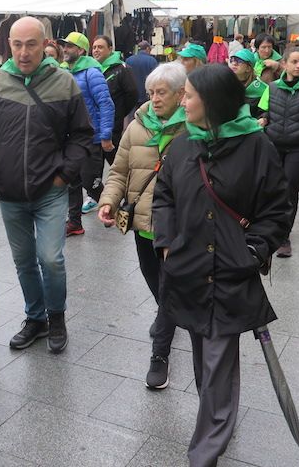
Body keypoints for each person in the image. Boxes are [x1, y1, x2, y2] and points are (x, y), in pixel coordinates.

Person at [152, 64, 291, 467]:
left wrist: (255, 250)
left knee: (216, 363)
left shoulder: (256, 146)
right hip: (188, 271)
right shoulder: (181, 145)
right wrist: (167, 243)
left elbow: (277, 209)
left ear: (211, 102)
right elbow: (164, 197)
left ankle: (205, 452)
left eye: (189, 94)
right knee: (204, 358)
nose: (182, 100)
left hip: (230, 273)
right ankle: (216, 415)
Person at [0, 16, 93, 354]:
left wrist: (64, 174)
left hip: (50, 191)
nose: (24, 52)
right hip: (10, 194)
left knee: (50, 259)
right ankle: (35, 318)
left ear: (45, 44)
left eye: (31, 44)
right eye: (17, 44)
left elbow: (81, 135)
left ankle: (56, 317)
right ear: (8, 45)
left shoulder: (64, 83)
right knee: (24, 261)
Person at [98, 62, 187, 390]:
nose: (154, 99)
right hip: (142, 225)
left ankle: (159, 355)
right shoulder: (136, 127)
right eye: (151, 93)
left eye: (161, 93)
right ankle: (170, 314)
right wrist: (108, 200)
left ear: (181, 94)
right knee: (157, 285)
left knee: (169, 287)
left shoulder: (193, 127)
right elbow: (119, 171)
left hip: (176, 227)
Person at [257, 44, 299, 258]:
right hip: (274, 145)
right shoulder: (273, 87)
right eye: (294, 62)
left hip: (298, 148)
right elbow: (264, 110)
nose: (298, 66)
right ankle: (268, 228)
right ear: (284, 64)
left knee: (289, 190)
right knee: (271, 189)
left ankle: (284, 236)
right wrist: (265, 122)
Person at [60, 32, 114, 234]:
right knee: (72, 181)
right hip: (69, 137)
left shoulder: (92, 72)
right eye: (64, 46)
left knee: (91, 183)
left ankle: (112, 208)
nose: (65, 49)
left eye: (70, 46)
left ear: (81, 50)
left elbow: (105, 103)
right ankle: (74, 223)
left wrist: (106, 135)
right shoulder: (63, 71)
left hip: (90, 137)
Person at [91, 34, 138, 166]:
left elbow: (132, 94)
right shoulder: (92, 69)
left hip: (113, 127)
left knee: (117, 166)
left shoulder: (122, 69)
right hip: (94, 127)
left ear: (110, 49)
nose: (96, 50)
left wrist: (119, 112)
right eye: (94, 47)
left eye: (100, 47)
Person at [229, 47, 267, 117]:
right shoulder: (226, 83)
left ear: (248, 68)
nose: (234, 63)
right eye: (232, 60)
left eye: (239, 61)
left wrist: (264, 118)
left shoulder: (261, 89)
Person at [126, 40, 158, 106]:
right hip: (146, 96)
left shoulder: (128, 60)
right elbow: (156, 79)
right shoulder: (152, 60)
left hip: (132, 95)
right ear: (147, 48)